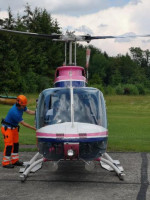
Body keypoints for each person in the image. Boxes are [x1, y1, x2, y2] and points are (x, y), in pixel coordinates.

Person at [1, 95, 36, 169]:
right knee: (9, 146)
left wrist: (37, 112)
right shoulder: (14, 112)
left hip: (14, 128)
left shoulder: (21, 107)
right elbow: (24, 124)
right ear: (18, 104)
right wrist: (34, 128)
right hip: (7, 129)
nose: (24, 107)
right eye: (23, 106)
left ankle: (15, 161)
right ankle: (5, 163)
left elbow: (29, 111)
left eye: (24, 105)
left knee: (15, 144)